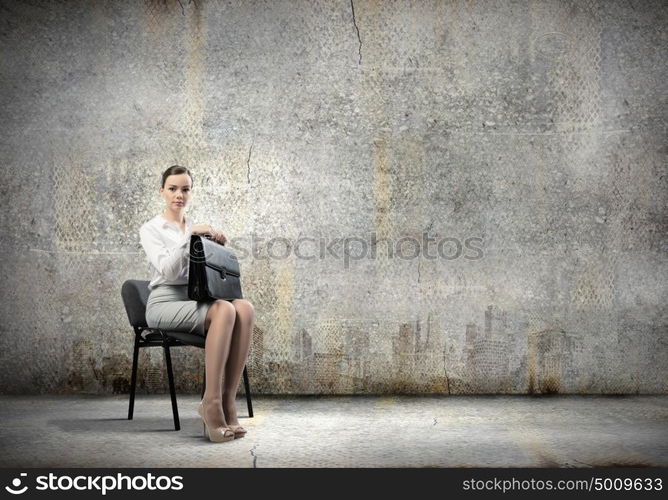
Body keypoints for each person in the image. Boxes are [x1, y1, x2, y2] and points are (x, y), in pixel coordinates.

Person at [139, 165, 255, 443]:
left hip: (194, 299)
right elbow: (167, 272)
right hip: (164, 302)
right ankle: (210, 404)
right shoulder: (151, 229)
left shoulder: (194, 228)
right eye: (173, 188)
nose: (179, 194)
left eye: (185, 189)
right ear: (162, 191)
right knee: (225, 309)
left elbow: (203, 274)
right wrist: (189, 239)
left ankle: (228, 401)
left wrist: (217, 245)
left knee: (244, 307)